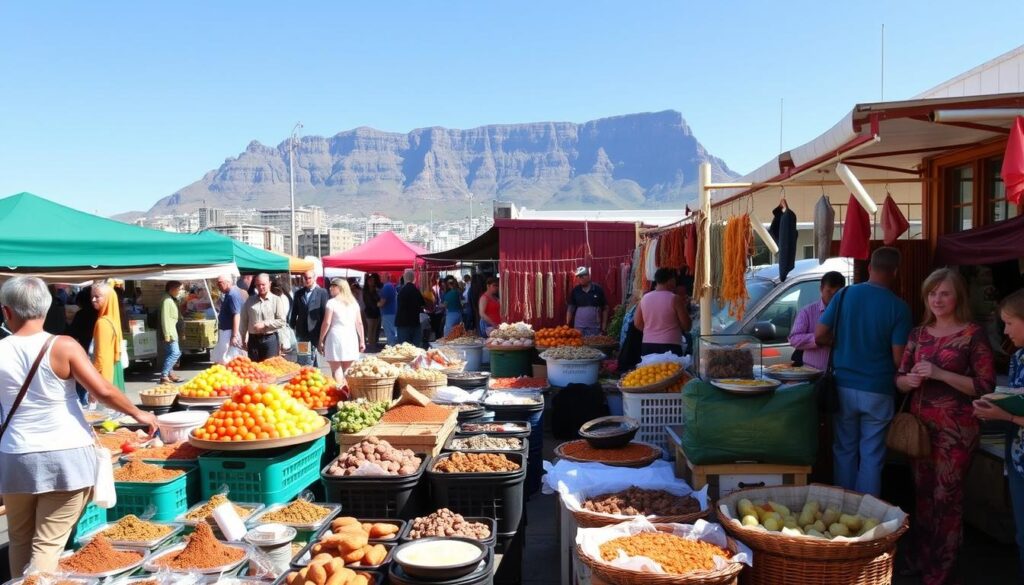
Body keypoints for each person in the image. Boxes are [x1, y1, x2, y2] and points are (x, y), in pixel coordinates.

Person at [0, 276, 158, 577]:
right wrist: (140, 414)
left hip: (15, 455)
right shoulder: (63, 346)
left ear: (6, 312)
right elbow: (104, 391)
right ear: (47, 309)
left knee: (20, 537)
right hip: (65, 454)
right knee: (48, 543)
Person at [891, 269, 994, 584]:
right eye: (932, 293)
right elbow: (899, 379)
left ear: (958, 296)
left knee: (946, 498)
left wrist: (940, 373)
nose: (937, 299)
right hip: (920, 431)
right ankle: (922, 558)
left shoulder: (972, 334)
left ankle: (942, 568)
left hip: (957, 432)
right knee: (922, 496)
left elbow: (984, 386)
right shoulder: (918, 334)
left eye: (944, 293)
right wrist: (908, 381)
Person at [815, 247, 912, 496]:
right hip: (879, 390)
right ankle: (867, 518)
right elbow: (899, 358)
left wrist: (842, 343)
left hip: (844, 386)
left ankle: (841, 512)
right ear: (896, 272)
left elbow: (819, 335)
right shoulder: (899, 308)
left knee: (844, 449)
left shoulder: (845, 295)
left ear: (869, 267)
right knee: (872, 455)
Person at [973, 290, 1024, 580]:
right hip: (1017, 460)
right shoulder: (1018, 358)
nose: (1005, 331)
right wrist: (993, 405)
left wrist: (1005, 416)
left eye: (1009, 323)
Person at [788, 271, 847, 370]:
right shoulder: (807, 312)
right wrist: (817, 339)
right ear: (821, 289)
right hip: (812, 373)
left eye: (837, 293)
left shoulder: (848, 312)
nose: (833, 296)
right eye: (829, 291)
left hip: (841, 374)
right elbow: (794, 339)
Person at [633, 268, 691, 356]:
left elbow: (637, 323)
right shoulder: (675, 299)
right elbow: (687, 326)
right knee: (671, 370)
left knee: (651, 369)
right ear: (670, 280)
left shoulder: (645, 298)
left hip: (648, 344)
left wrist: (651, 331)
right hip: (670, 344)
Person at [319, 278, 365, 385]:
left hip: (335, 337)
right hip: (351, 337)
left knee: (336, 369)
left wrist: (321, 339)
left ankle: (339, 392)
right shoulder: (354, 303)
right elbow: (359, 323)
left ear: (339, 288)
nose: (330, 288)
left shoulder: (332, 303)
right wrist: (362, 340)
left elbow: (327, 322)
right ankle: (348, 393)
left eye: (333, 286)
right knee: (348, 369)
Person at [239, 274, 288, 361]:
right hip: (253, 340)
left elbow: (281, 321)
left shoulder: (276, 300)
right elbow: (244, 320)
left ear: (269, 284)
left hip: (270, 339)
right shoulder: (250, 301)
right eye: (258, 285)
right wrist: (243, 338)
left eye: (263, 284)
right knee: (255, 369)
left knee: (270, 368)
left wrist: (265, 324)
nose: (260, 287)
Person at [90, 282, 126, 398]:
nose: (93, 299)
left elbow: (100, 358)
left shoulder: (103, 323)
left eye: (97, 296)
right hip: (113, 374)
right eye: (92, 296)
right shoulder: (113, 320)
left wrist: (91, 382)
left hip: (104, 378)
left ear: (108, 299)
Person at [289, 270, 329, 366]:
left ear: (314, 278)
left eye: (309, 278)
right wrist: (292, 325)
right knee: (303, 360)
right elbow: (294, 311)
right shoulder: (299, 293)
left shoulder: (322, 292)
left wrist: (324, 334)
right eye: (305, 278)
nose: (307, 280)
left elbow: (324, 312)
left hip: (316, 331)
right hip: (302, 332)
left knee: (316, 360)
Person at [67, 289, 98, 405]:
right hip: (95, 351)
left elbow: (71, 333)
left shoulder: (81, 314)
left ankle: (83, 404)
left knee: (82, 383)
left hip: (84, 351)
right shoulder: (99, 314)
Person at [212, 274, 246, 364]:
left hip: (229, 332)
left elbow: (236, 315)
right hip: (226, 331)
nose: (218, 286)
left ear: (228, 282)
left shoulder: (232, 295)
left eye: (220, 283)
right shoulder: (228, 294)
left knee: (228, 359)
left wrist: (234, 336)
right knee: (224, 357)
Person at [566, 267, 608, 336]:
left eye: (582, 276)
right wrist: (567, 324)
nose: (580, 278)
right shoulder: (575, 290)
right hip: (579, 328)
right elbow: (571, 308)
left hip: (594, 328)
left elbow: (605, 308)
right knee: (578, 344)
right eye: (578, 277)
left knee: (593, 345)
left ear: (588, 276)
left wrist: (603, 327)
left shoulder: (598, 289)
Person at [159, 280, 183, 384]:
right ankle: (164, 375)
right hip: (170, 332)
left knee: (170, 353)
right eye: (179, 289)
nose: (180, 291)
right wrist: (167, 335)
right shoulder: (167, 300)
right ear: (172, 289)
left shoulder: (170, 299)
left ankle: (169, 373)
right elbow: (165, 318)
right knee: (175, 353)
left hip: (171, 331)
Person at [395, 269, 425, 346]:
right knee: (416, 349)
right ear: (413, 278)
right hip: (414, 322)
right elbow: (423, 304)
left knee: (404, 350)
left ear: (404, 278)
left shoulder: (401, 291)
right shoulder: (416, 291)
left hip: (403, 323)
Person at [363, 274, 382, 350]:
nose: (372, 282)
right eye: (370, 280)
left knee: (374, 330)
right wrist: (377, 305)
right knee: (370, 330)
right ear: (367, 282)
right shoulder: (366, 291)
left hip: (376, 312)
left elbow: (378, 299)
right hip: (369, 312)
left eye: (373, 280)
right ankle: (371, 346)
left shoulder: (375, 290)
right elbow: (369, 302)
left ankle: (373, 345)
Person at [379, 273, 398, 346]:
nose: (381, 278)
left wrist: (376, 304)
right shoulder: (391, 286)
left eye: (382, 276)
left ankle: (391, 348)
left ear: (386, 277)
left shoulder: (386, 287)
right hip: (392, 313)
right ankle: (393, 347)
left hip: (387, 313)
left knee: (389, 333)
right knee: (393, 332)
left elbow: (382, 303)